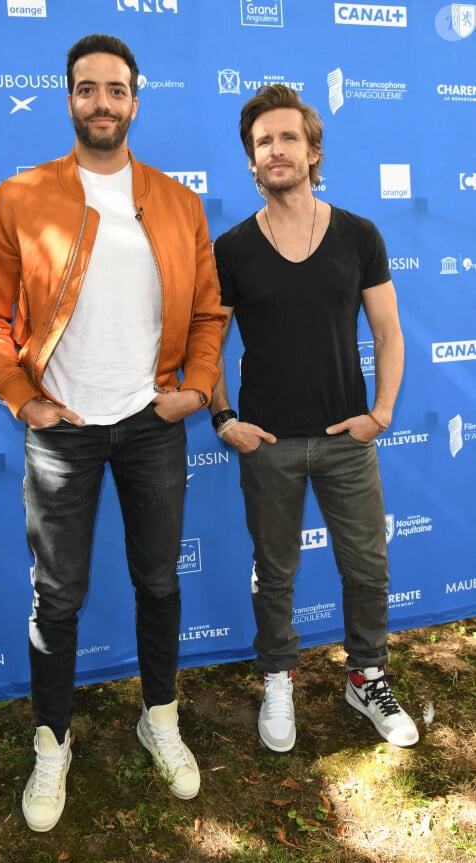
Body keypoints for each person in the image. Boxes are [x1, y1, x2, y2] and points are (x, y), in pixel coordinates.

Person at [0, 33, 225, 831]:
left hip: (153, 424)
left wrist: (198, 388)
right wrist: (24, 398)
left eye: (116, 90)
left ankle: (161, 716)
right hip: (64, 431)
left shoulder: (178, 203)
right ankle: (54, 741)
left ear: (136, 100)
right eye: (87, 89)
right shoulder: (22, 194)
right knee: (58, 596)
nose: (102, 103)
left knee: (159, 582)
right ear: (69, 98)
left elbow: (211, 312)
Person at [210, 84, 419, 754]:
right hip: (265, 443)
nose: (276, 149)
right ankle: (277, 675)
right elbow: (204, 346)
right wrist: (223, 418)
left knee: (368, 566)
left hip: (344, 441)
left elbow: (388, 331)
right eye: (263, 141)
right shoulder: (233, 248)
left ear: (312, 149)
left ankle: (366, 675)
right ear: (251, 159)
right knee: (274, 573)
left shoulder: (359, 234)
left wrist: (380, 412)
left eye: (288, 137)